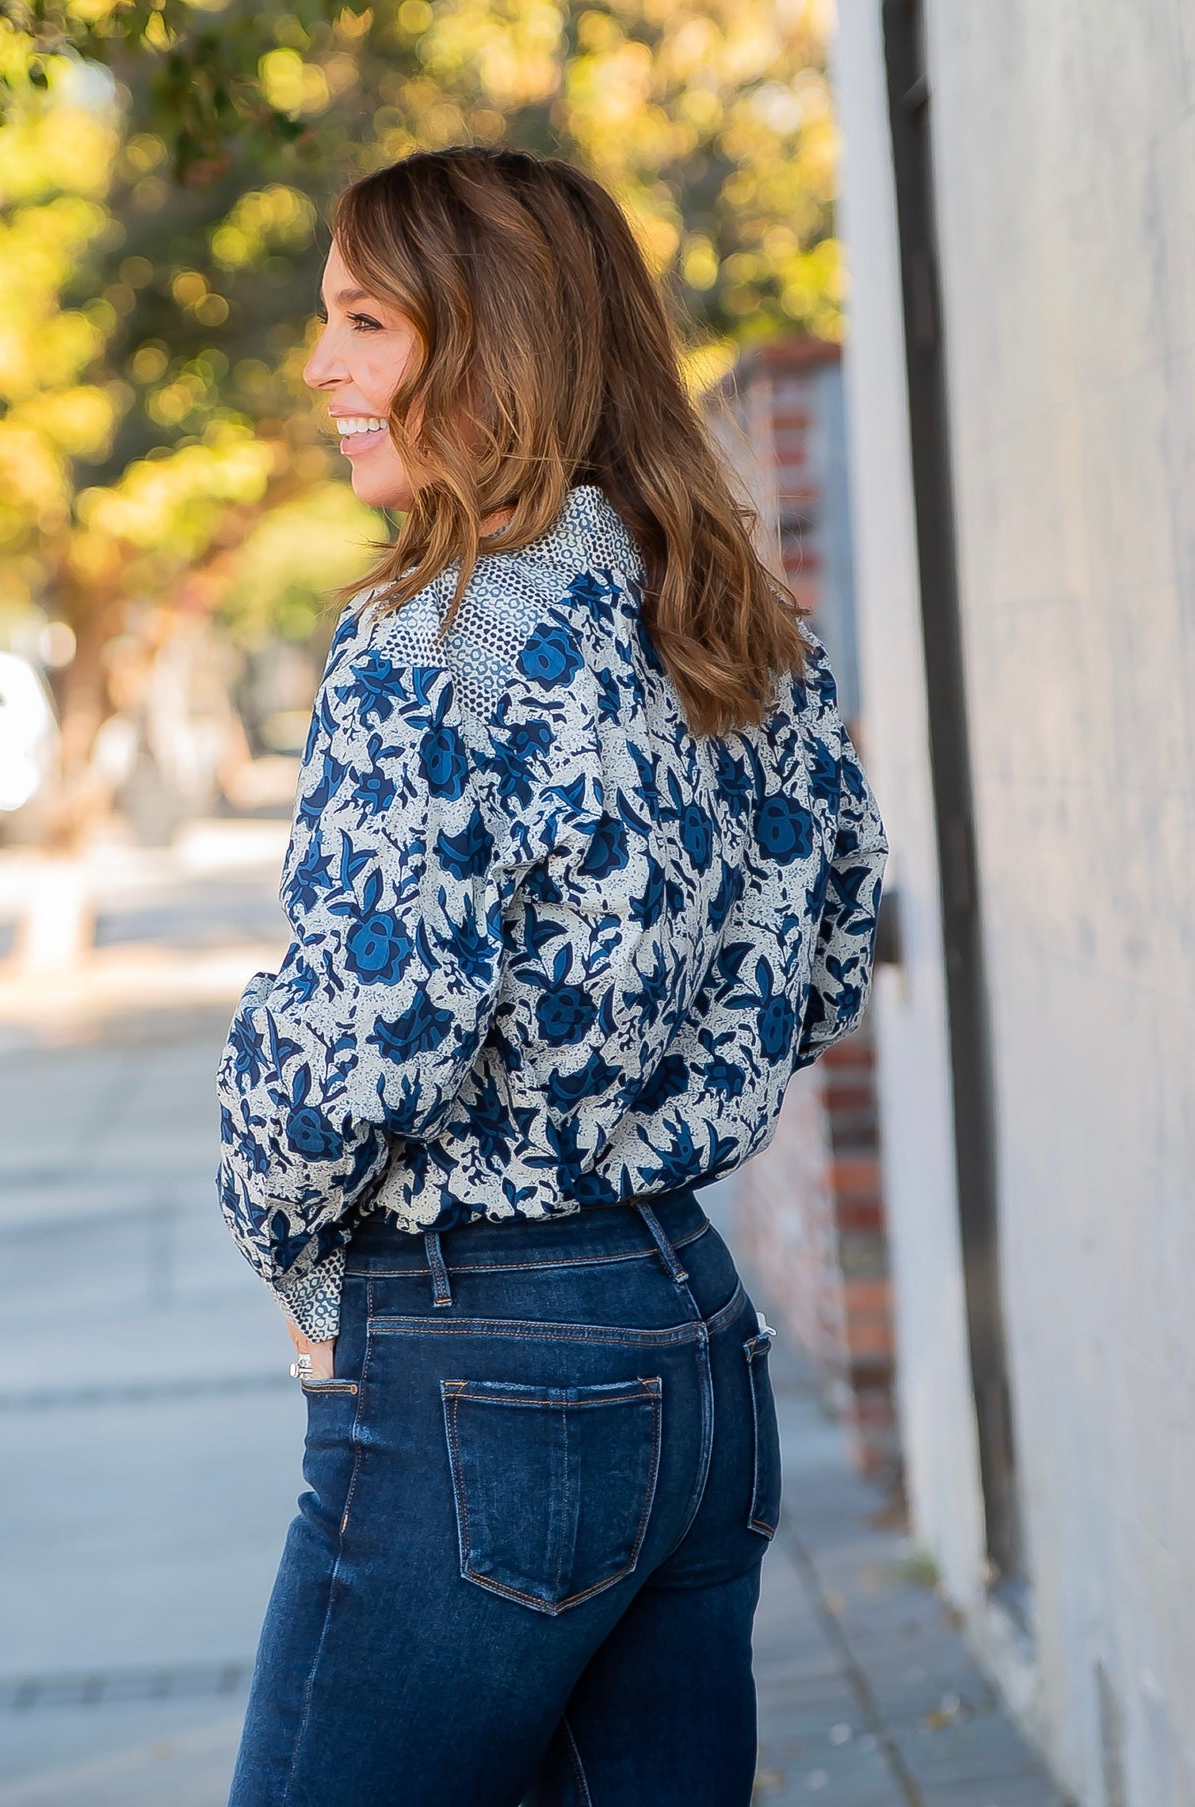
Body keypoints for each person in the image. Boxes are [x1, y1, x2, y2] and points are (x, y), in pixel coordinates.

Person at [216, 146, 886, 1807]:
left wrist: (278, 1231)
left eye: (365, 323)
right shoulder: (723, 616)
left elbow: (370, 1031)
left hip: (480, 1362)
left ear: (490, 341)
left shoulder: (431, 639)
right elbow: (830, 942)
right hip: (693, 1340)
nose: (323, 369)